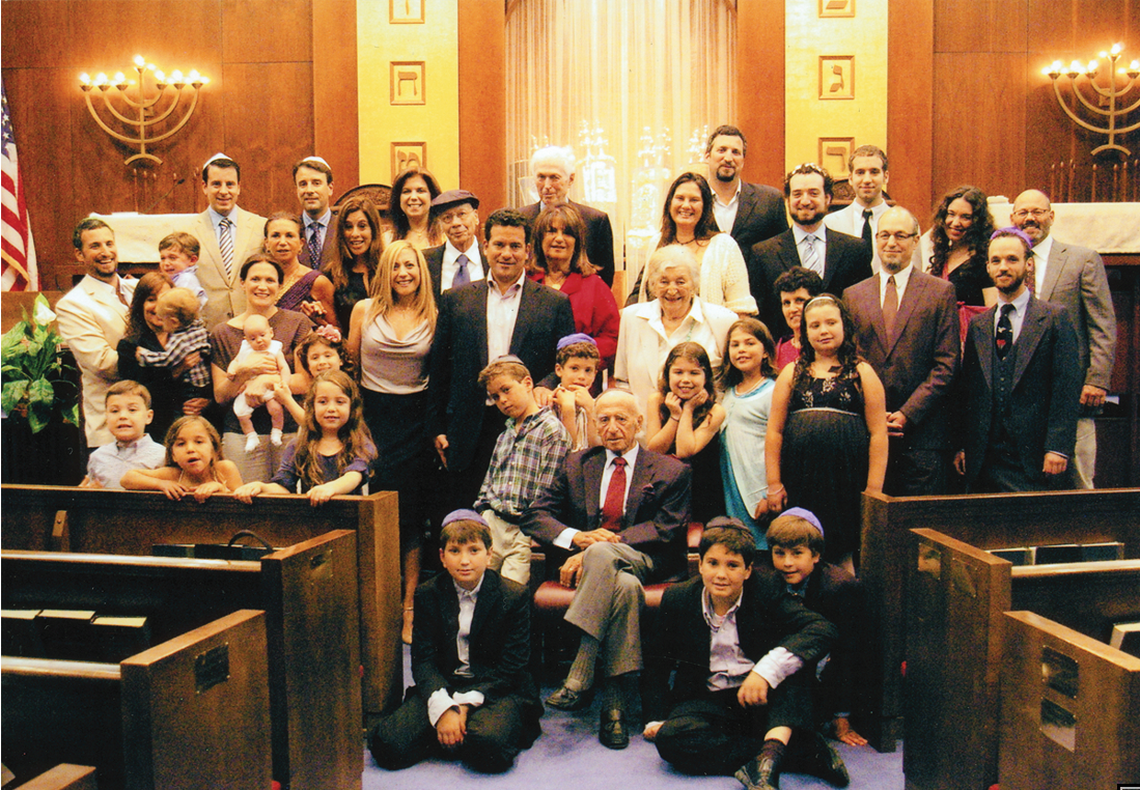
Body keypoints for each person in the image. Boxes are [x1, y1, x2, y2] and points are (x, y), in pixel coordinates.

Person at [521, 389, 692, 749]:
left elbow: (666, 528)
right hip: (611, 573)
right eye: (604, 420)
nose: (612, 427)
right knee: (624, 588)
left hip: (649, 562)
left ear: (639, 423)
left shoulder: (670, 469)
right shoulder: (576, 464)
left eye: (621, 419)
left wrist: (598, 548)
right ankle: (614, 708)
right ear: (596, 425)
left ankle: (581, 670)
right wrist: (578, 538)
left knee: (604, 556)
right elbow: (536, 515)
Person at [643, 521, 846, 790]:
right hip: (709, 698)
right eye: (713, 563)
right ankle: (794, 754)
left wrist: (765, 671)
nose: (721, 574)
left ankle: (769, 763)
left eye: (733, 565)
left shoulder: (766, 588)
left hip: (763, 697)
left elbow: (821, 629)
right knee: (670, 741)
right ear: (700, 565)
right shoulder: (678, 597)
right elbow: (657, 663)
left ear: (748, 570)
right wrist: (658, 717)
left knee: (795, 667)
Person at [368, 511, 542, 773]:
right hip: (446, 683)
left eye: (474, 550)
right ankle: (453, 731)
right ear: (442, 557)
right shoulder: (427, 594)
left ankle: (464, 730)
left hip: (496, 688)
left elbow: (512, 667)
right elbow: (423, 661)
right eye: (454, 551)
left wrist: (463, 706)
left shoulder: (513, 596)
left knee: (488, 747)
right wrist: (443, 707)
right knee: (388, 745)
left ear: (489, 554)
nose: (464, 561)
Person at [428, 208, 575, 516]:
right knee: (465, 517)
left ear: (528, 251)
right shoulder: (456, 299)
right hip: (468, 428)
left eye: (515, 246)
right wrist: (437, 427)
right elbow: (440, 368)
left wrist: (544, 386)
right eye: (499, 245)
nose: (507, 253)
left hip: (527, 427)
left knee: (520, 518)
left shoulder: (554, 303)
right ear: (485, 247)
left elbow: (564, 364)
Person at [347, 240, 437, 644]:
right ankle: (373, 603)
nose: (403, 273)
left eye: (410, 266)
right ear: (385, 271)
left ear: (421, 271)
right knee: (372, 509)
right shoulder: (364, 310)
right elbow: (351, 365)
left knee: (411, 515)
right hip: (372, 419)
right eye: (396, 266)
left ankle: (408, 605)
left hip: (415, 421)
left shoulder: (434, 315)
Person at [842, 206, 960, 495]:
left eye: (900, 235)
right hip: (869, 433)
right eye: (884, 235)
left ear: (916, 240)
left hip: (922, 436)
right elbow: (847, 361)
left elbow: (946, 364)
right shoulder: (853, 295)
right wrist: (874, 413)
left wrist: (907, 413)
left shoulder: (940, 292)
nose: (891, 242)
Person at [954, 228, 1082, 492]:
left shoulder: (1054, 318)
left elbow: (1066, 389)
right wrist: (963, 445)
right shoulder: (979, 325)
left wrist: (1057, 448)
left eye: (1012, 259)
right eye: (996, 261)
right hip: (984, 459)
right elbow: (969, 392)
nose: (1003, 267)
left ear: (1029, 264)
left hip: (1034, 459)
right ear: (988, 268)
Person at [766, 296, 888, 571]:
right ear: (804, 332)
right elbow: (774, 431)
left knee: (842, 548)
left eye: (831, 323)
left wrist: (873, 490)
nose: (824, 330)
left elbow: (879, 433)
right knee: (800, 541)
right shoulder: (791, 373)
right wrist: (774, 483)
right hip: (801, 476)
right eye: (815, 325)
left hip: (847, 478)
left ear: (845, 326)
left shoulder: (862, 372)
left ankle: (841, 593)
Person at [1011, 189, 1117, 489]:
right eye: (1023, 212)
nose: (1030, 218)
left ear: (1051, 216)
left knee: (1078, 480)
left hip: (1072, 394)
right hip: (1022, 399)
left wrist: (1097, 380)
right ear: (1012, 218)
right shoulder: (1004, 262)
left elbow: (1102, 325)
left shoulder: (1081, 260)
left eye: (1038, 211)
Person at [766, 509, 868, 748]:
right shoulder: (767, 583)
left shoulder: (840, 588)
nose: (787, 563)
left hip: (826, 678)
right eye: (779, 553)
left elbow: (848, 654)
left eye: (797, 553)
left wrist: (841, 716)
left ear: (816, 555)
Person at [210, 254, 312, 483]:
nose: (262, 286)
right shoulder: (222, 333)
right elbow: (220, 395)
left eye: (270, 280)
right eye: (255, 279)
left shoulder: (298, 323)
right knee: (245, 497)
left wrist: (265, 381)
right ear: (242, 283)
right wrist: (244, 373)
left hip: (289, 429)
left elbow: (305, 382)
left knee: (289, 498)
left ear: (280, 285)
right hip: (241, 433)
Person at [472, 358, 571, 586]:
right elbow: (489, 481)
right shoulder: (505, 434)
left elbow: (546, 492)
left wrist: (530, 528)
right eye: (495, 396)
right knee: (481, 588)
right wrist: (484, 513)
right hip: (493, 523)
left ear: (527, 383)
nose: (502, 400)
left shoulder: (551, 430)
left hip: (523, 529)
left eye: (506, 390)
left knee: (511, 591)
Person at [746, 163, 872, 340]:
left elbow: (864, 310)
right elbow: (760, 316)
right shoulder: (763, 253)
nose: (805, 201)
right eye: (797, 194)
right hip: (785, 350)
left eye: (813, 193)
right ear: (787, 200)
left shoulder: (855, 250)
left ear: (827, 198)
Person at [614, 244, 737, 413]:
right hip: (644, 425)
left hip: (703, 425)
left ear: (694, 284)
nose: (672, 290)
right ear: (653, 285)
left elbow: (731, 383)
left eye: (680, 282)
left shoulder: (722, 320)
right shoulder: (632, 318)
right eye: (664, 282)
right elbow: (622, 382)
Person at [233, 370, 376, 506]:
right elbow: (284, 486)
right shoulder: (298, 445)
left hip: (350, 517)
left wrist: (330, 489)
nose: (331, 408)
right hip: (311, 517)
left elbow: (354, 477)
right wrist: (260, 486)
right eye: (323, 402)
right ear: (311, 407)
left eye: (340, 402)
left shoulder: (360, 444)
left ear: (352, 407)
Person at [56, 218, 137, 448]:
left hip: (154, 420)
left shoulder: (138, 288)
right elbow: (103, 363)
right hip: (113, 426)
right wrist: (162, 362)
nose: (106, 252)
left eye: (109, 244)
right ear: (79, 255)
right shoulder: (73, 304)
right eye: (95, 246)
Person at [629, 171, 758, 315]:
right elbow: (645, 298)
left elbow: (741, 309)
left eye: (694, 200)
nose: (685, 205)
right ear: (670, 203)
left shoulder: (724, 247)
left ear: (705, 206)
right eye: (680, 198)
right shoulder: (656, 242)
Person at [117, 272, 209, 441]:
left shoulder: (194, 335)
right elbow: (135, 396)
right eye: (151, 299)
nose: (160, 305)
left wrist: (206, 402)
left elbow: (213, 378)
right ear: (140, 304)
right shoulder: (131, 346)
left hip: (198, 427)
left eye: (165, 297)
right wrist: (176, 370)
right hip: (156, 431)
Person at [532, 203, 621, 370]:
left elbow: (611, 338)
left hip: (577, 377)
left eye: (567, 233)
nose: (559, 239)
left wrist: (581, 358)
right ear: (539, 239)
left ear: (577, 243)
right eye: (551, 231)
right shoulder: (527, 280)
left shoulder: (594, 286)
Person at [646, 341, 726, 523]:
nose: (686, 380)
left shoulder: (716, 411)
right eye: (678, 372)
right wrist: (674, 415)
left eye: (694, 373)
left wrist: (688, 410)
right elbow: (654, 449)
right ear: (667, 374)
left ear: (706, 377)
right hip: (666, 485)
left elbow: (684, 450)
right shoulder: (656, 400)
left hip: (701, 486)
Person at [185, 154, 267, 329]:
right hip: (207, 329)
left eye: (230, 184)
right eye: (216, 184)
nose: (223, 191)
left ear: (239, 187)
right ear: (204, 187)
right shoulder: (187, 232)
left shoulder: (261, 227)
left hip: (254, 328)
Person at [717, 318, 779, 545]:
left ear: (765, 351)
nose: (741, 350)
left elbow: (780, 444)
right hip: (733, 482)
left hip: (759, 487)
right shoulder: (727, 392)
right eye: (735, 345)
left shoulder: (772, 391)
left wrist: (768, 493)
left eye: (749, 343)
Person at [518, 145, 616, 285]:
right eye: (541, 177)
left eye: (554, 178)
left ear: (570, 179)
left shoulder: (594, 221)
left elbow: (605, 278)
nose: (547, 185)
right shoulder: (520, 219)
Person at [823, 144, 914, 273]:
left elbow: (915, 272)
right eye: (860, 172)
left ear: (886, 176)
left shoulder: (905, 223)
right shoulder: (830, 223)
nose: (867, 180)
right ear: (850, 178)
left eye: (874, 172)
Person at [922, 185, 996, 334]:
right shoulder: (942, 256)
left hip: (970, 340)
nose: (956, 223)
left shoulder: (985, 260)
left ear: (978, 221)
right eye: (951, 214)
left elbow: (991, 313)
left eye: (965, 217)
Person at [702, 124, 789, 252]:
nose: (728, 158)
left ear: (743, 160)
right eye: (722, 150)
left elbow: (783, 252)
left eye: (735, 152)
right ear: (707, 156)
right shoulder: (694, 201)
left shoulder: (770, 201)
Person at [131, 288, 213, 418]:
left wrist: (144, 356)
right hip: (204, 384)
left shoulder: (179, 340)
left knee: (185, 412)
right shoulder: (199, 328)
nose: (162, 324)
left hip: (192, 387)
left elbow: (167, 359)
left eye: (163, 320)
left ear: (174, 322)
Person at [121, 415, 242, 501]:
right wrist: (161, 484)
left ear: (213, 449)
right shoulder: (174, 475)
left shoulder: (224, 469)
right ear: (173, 455)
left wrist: (220, 489)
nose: (190, 449)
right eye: (181, 444)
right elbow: (127, 478)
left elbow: (241, 501)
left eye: (199, 442)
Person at [79, 380, 166, 489]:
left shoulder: (162, 456)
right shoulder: (98, 457)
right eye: (115, 411)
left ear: (148, 417)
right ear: (106, 417)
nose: (122, 416)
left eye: (132, 410)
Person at [228, 313, 291, 452]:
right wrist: (232, 369)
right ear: (246, 340)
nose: (259, 340)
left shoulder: (274, 349)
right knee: (241, 413)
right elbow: (236, 361)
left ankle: (277, 431)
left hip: (270, 386)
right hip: (248, 387)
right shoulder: (245, 349)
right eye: (253, 338)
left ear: (271, 333)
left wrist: (284, 382)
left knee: (275, 408)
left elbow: (283, 367)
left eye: (262, 335)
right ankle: (251, 436)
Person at [264, 212, 338, 329]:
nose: (282, 242)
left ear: (301, 243)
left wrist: (317, 320)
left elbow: (337, 332)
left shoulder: (317, 282)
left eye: (289, 236)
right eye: (275, 236)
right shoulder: (258, 280)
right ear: (267, 243)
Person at [326, 195, 383, 333]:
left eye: (362, 226)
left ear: (373, 229)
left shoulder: (389, 268)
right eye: (348, 227)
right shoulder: (331, 275)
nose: (355, 234)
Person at [423, 189, 485, 303]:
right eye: (447, 218)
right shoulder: (425, 261)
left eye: (462, 214)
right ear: (440, 224)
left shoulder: (491, 257)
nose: (455, 223)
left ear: (476, 217)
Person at [552, 334, 602, 451]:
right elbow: (566, 452)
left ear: (595, 374)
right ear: (559, 370)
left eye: (588, 370)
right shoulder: (549, 403)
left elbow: (597, 449)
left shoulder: (598, 406)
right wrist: (568, 410)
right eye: (574, 368)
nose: (581, 376)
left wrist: (590, 409)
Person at [771, 267, 824, 370]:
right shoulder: (778, 352)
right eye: (786, 303)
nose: (792, 309)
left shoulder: (829, 345)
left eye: (799, 300)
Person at [293, 156, 339, 271]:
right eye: (303, 184)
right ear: (297, 190)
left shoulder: (343, 228)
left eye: (316, 183)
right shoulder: (290, 230)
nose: (309, 190)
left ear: (330, 188)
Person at [384, 166, 443, 250]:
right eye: (406, 191)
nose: (413, 197)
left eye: (420, 191)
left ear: (432, 196)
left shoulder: (447, 236)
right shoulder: (386, 240)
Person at [158, 232, 207, 311]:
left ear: (192, 260)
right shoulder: (171, 278)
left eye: (172, 258)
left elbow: (177, 307)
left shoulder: (187, 280)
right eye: (163, 258)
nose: (166, 263)